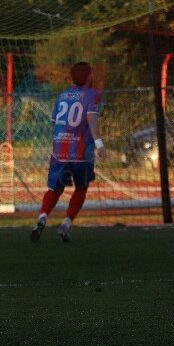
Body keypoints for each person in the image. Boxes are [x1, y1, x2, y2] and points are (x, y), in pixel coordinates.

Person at [31, 61, 107, 243]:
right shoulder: (93, 95)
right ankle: (65, 224)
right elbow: (90, 118)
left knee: (55, 189)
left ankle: (42, 217)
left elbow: (54, 122)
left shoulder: (62, 95)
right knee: (81, 188)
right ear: (89, 76)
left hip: (60, 151)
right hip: (81, 153)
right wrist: (99, 144)